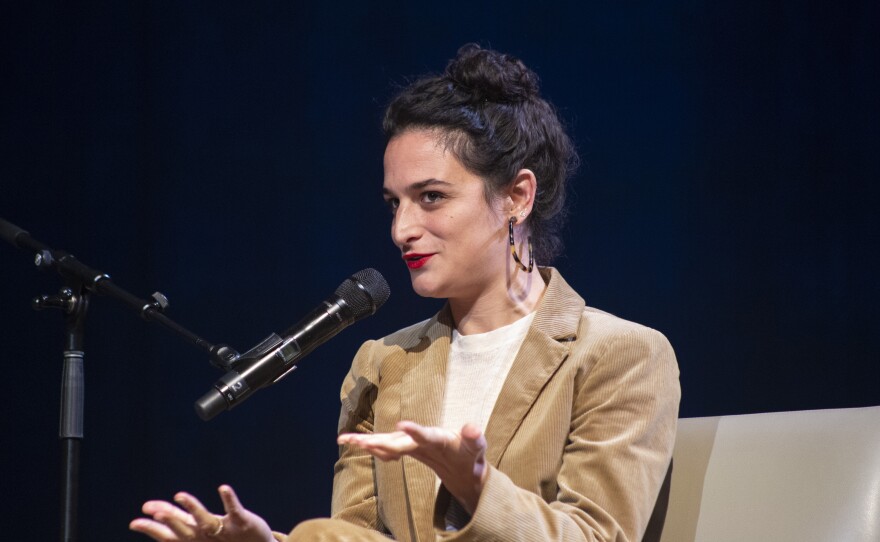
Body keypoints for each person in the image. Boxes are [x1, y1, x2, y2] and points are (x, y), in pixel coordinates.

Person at [130, 44, 680, 542]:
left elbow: (595, 537)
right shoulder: (383, 363)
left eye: (432, 197)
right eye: (395, 203)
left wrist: (476, 486)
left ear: (516, 195)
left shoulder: (617, 354)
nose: (402, 230)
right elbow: (358, 535)